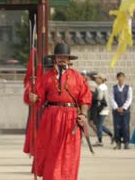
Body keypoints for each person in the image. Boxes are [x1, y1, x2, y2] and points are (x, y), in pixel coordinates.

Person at [29, 43, 91, 180]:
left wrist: (83, 114)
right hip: (51, 117)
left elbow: (85, 99)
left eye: (64, 56)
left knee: (69, 152)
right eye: (59, 56)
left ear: (69, 59)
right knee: (51, 151)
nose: (62, 59)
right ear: (54, 58)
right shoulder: (46, 77)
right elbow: (39, 98)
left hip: (71, 118)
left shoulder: (78, 77)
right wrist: (34, 98)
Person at [23, 56, 54, 156]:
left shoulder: (55, 80)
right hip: (38, 112)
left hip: (52, 112)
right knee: (37, 134)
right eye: (46, 68)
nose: (47, 70)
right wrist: (31, 96)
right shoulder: (36, 82)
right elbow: (27, 97)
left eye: (50, 68)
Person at [109, 72, 133, 150]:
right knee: (117, 127)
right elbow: (111, 98)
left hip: (125, 111)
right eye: (119, 77)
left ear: (124, 78)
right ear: (117, 78)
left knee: (125, 126)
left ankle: (126, 143)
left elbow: (129, 99)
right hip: (116, 111)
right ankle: (118, 143)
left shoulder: (128, 88)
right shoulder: (114, 88)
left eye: (122, 77)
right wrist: (116, 107)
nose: (121, 79)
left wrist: (124, 107)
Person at [92, 74, 113, 147]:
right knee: (99, 124)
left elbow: (100, 98)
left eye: (97, 78)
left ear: (101, 79)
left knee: (98, 125)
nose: (96, 80)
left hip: (101, 109)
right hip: (105, 108)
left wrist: (94, 95)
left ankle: (100, 140)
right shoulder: (104, 86)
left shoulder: (100, 87)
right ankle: (111, 134)